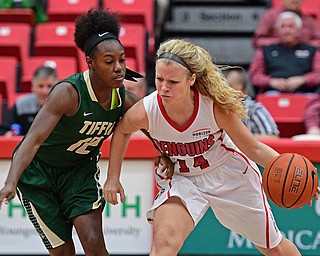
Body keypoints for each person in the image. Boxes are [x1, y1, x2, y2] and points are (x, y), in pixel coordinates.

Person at [103, 38, 319, 255]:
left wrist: (299, 175)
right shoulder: (148, 109)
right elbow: (122, 130)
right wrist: (113, 177)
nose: (164, 88)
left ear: (191, 79)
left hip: (228, 174)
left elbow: (253, 148)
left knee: (274, 248)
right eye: (159, 79)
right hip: (183, 178)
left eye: (173, 82)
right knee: (164, 242)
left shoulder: (213, 107)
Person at [0, 8, 168, 256]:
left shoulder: (124, 98)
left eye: (122, 59)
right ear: (91, 63)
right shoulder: (67, 93)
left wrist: (164, 154)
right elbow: (32, 140)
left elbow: (153, 129)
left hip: (79, 172)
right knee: (64, 252)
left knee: (94, 244)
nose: (119, 67)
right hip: (39, 176)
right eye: (109, 62)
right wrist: (10, 181)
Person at [249, 11, 320, 94]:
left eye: (291, 27)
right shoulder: (265, 50)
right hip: (273, 92)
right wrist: (271, 81)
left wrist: (303, 80)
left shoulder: (312, 50)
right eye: (283, 27)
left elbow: (318, 74)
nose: (286, 31)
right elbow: (255, 76)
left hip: (304, 92)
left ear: (299, 30)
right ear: (277, 30)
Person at [4, 65, 59, 136]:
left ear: (58, 87)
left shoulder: (66, 106)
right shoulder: (21, 105)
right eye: (40, 86)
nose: (45, 91)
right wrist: (8, 134)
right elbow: (4, 129)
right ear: (33, 87)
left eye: (49, 86)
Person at [225, 69, 280, 139]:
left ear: (244, 92)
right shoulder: (218, 110)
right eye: (228, 91)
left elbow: (273, 137)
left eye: (235, 92)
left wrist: (244, 139)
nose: (231, 96)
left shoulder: (255, 110)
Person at [252, 0, 320, 49]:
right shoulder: (270, 16)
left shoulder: (309, 19)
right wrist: (281, 42)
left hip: (304, 61)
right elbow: (258, 41)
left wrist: (301, 44)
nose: (295, 1)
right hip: (276, 60)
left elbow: (318, 41)